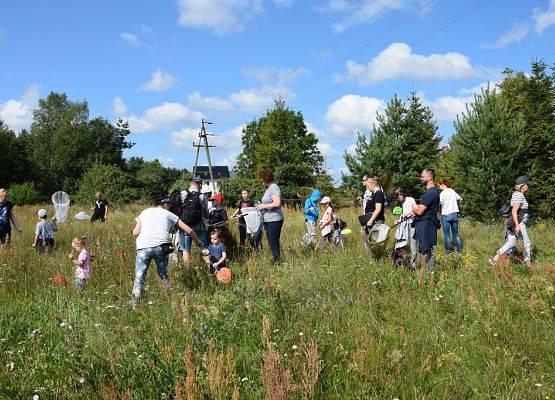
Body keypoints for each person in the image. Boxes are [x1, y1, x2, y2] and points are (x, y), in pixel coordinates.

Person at [132, 194, 200, 308]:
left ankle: (135, 304)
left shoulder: (144, 213)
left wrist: (142, 224)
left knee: (139, 275)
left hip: (143, 247)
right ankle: (169, 300)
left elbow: (135, 232)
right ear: (165, 204)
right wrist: (198, 242)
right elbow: (189, 230)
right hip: (162, 247)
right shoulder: (169, 214)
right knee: (163, 274)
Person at [489, 176, 533, 269]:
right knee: (527, 243)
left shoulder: (516, 194)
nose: (528, 186)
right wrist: (517, 225)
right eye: (527, 184)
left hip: (518, 222)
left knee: (511, 241)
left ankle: (495, 258)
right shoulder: (519, 195)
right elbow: (514, 211)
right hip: (520, 223)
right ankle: (528, 265)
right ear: (522, 186)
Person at [412, 169, 441, 271]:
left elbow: (419, 212)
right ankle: (429, 272)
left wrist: (413, 207)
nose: (421, 178)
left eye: (423, 176)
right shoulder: (433, 192)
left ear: (429, 177)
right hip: (427, 223)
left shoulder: (431, 193)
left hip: (427, 224)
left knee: (427, 249)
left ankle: (430, 273)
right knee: (427, 248)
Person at [179, 177, 209, 265]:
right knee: (204, 248)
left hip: (185, 226)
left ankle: (187, 270)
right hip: (200, 226)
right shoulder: (202, 196)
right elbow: (206, 214)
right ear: (199, 185)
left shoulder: (182, 194)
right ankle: (209, 268)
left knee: (185, 250)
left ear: (190, 184)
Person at [255, 169, 284, 264]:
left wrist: (263, 206)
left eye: (261, 178)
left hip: (274, 218)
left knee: (273, 241)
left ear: (265, 178)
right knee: (271, 241)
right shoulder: (268, 188)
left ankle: (277, 261)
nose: (260, 181)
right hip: (268, 219)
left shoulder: (274, 187)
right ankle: (275, 259)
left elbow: (277, 203)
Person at [393, 188, 418, 269]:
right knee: (402, 242)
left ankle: (414, 265)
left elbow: (416, 210)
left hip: (413, 224)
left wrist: (407, 213)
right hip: (406, 225)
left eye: (397, 197)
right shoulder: (403, 203)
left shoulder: (410, 199)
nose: (397, 199)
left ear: (401, 195)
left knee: (413, 245)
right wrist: (398, 220)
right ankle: (403, 262)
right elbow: (404, 215)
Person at [438, 178, 463, 252]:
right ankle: (459, 250)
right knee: (456, 235)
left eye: (439, 185)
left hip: (446, 215)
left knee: (447, 236)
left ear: (442, 184)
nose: (439, 187)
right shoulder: (452, 191)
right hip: (454, 214)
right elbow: (460, 199)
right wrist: (456, 205)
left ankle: (448, 251)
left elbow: (438, 203)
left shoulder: (442, 193)